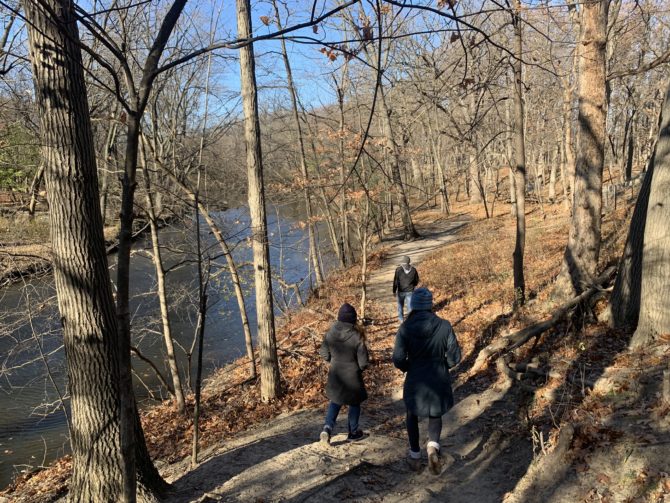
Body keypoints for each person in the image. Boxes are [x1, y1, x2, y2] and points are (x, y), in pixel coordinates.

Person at [392, 287, 461, 475]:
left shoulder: (405, 328)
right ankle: (432, 448)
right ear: (430, 305)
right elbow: (455, 357)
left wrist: (408, 367)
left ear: (413, 305)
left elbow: (398, 358)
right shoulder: (445, 325)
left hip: (415, 378)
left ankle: (415, 456)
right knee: (435, 413)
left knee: (412, 413)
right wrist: (443, 364)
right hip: (438, 377)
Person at [319, 303, 369, 445]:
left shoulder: (330, 333)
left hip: (335, 375)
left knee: (335, 401)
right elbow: (364, 362)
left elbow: (323, 353)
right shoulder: (357, 337)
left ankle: (327, 429)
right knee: (354, 404)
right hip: (353, 377)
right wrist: (359, 368)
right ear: (353, 319)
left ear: (339, 318)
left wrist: (332, 361)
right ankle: (353, 432)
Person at [392, 255, 419, 322]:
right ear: (409, 262)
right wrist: (413, 285)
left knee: (400, 306)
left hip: (401, 291)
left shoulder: (398, 270)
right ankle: (410, 320)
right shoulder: (413, 270)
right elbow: (416, 280)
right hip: (410, 291)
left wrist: (394, 291)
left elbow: (395, 281)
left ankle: (401, 320)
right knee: (410, 307)